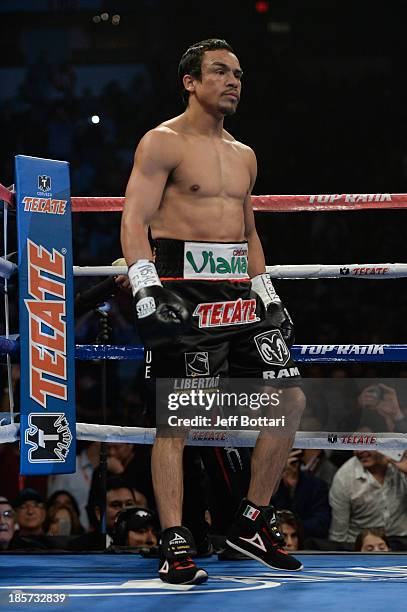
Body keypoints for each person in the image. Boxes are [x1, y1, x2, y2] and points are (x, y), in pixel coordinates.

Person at [121, 38, 305, 585]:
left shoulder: (244, 154)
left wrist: (266, 292)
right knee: (177, 421)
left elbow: (248, 232)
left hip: (238, 295)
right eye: (221, 72)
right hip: (182, 292)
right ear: (190, 81)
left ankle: (251, 521)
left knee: (289, 398)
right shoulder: (162, 142)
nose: (233, 81)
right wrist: (145, 288)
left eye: (239, 74)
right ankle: (175, 543)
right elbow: (134, 221)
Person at [329, 450, 407, 545]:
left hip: (401, 543)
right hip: (363, 549)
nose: (360, 450)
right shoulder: (344, 478)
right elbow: (338, 536)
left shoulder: (401, 463)